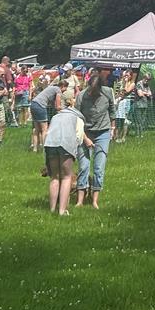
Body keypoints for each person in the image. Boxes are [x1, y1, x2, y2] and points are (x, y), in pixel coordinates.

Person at [75, 66, 115, 210]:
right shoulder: (81, 96)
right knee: (83, 166)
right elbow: (77, 119)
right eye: (90, 91)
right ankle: (80, 200)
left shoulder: (108, 92)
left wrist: (112, 128)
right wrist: (85, 138)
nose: (92, 94)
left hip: (103, 132)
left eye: (95, 91)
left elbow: (112, 110)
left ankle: (94, 201)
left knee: (99, 168)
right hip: (85, 132)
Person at [45, 96, 84, 215]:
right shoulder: (77, 118)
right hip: (66, 145)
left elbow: (48, 132)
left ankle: (52, 209)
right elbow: (79, 137)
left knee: (54, 177)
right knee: (66, 177)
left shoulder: (55, 117)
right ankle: (62, 210)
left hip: (51, 145)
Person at [30, 77, 63, 151]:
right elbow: (58, 106)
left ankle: (35, 149)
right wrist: (65, 109)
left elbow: (52, 104)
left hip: (33, 104)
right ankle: (45, 149)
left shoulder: (51, 88)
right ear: (62, 86)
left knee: (36, 129)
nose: (65, 90)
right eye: (65, 88)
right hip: (40, 106)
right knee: (44, 129)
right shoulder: (58, 89)